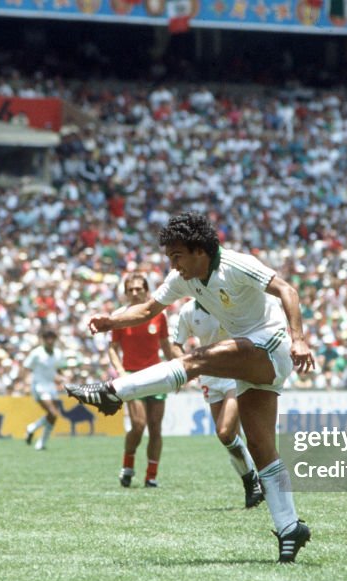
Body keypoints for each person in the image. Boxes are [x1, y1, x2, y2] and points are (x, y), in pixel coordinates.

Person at [68, 212, 315, 563]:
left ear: (199, 250)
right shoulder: (185, 278)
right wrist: (110, 321)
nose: (173, 264)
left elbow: (286, 289)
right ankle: (290, 527)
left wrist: (299, 339)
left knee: (196, 360)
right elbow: (148, 310)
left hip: (272, 345)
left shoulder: (237, 264)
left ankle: (114, 392)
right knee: (261, 448)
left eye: (176, 256)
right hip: (251, 362)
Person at [172, 298, 265, 509]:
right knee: (231, 438)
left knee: (224, 432)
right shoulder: (188, 311)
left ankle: (252, 481)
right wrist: (186, 368)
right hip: (210, 377)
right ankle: (255, 483)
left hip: (236, 372)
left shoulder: (228, 299)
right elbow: (176, 345)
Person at [108, 273, 173, 488]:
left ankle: (151, 476)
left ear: (146, 290)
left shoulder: (158, 315)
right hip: (132, 376)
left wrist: (182, 370)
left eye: (139, 289)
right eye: (130, 290)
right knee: (138, 424)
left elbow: (166, 347)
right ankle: (127, 465)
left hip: (157, 375)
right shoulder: (119, 316)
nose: (135, 293)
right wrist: (120, 371)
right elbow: (112, 349)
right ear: (125, 293)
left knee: (155, 428)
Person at [22, 329, 67, 451]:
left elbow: (58, 369)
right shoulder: (36, 353)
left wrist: (62, 378)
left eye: (52, 338)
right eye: (47, 338)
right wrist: (25, 383)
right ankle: (33, 429)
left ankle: (39, 440)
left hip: (51, 386)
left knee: (53, 416)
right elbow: (26, 367)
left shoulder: (58, 353)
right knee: (53, 413)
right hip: (39, 386)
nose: (50, 341)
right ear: (43, 340)